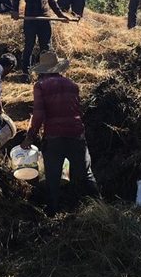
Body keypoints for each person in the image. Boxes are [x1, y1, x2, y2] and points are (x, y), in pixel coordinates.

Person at [21, 52, 101, 215]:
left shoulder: (41, 85)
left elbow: (38, 114)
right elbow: (78, 110)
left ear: (43, 70)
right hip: (77, 134)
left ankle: (52, 213)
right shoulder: (72, 85)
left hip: (54, 135)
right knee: (86, 174)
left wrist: (30, 136)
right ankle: (101, 207)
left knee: (52, 178)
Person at [12, 0, 71, 83]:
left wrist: (60, 15)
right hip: (31, 19)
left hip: (45, 19)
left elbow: (51, 0)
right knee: (29, 47)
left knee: (46, 48)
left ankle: (44, 74)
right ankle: (25, 74)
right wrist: (15, 11)